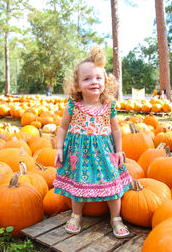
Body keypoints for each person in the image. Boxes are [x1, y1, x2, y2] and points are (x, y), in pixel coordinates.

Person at [53, 46, 133, 238]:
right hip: (79, 152)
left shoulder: (108, 106)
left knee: (112, 184)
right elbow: (63, 127)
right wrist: (59, 147)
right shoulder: (73, 105)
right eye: (87, 79)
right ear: (78, 85)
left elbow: (115, 129)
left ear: (105, 82)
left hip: (105, 153)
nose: (94, 82)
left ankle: (116, 217)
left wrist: (119, 150)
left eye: (98, 78)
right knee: (78, 185)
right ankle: (76, 214)